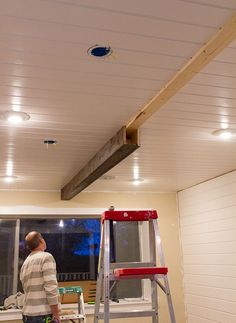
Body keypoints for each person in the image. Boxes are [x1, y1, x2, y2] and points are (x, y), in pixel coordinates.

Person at [20, 231, 61, 323]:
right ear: (41, 241)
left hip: (27, 314)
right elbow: (50, 287)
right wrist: (56, 314)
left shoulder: (26, 262)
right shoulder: (46, 257)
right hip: (42, 315)